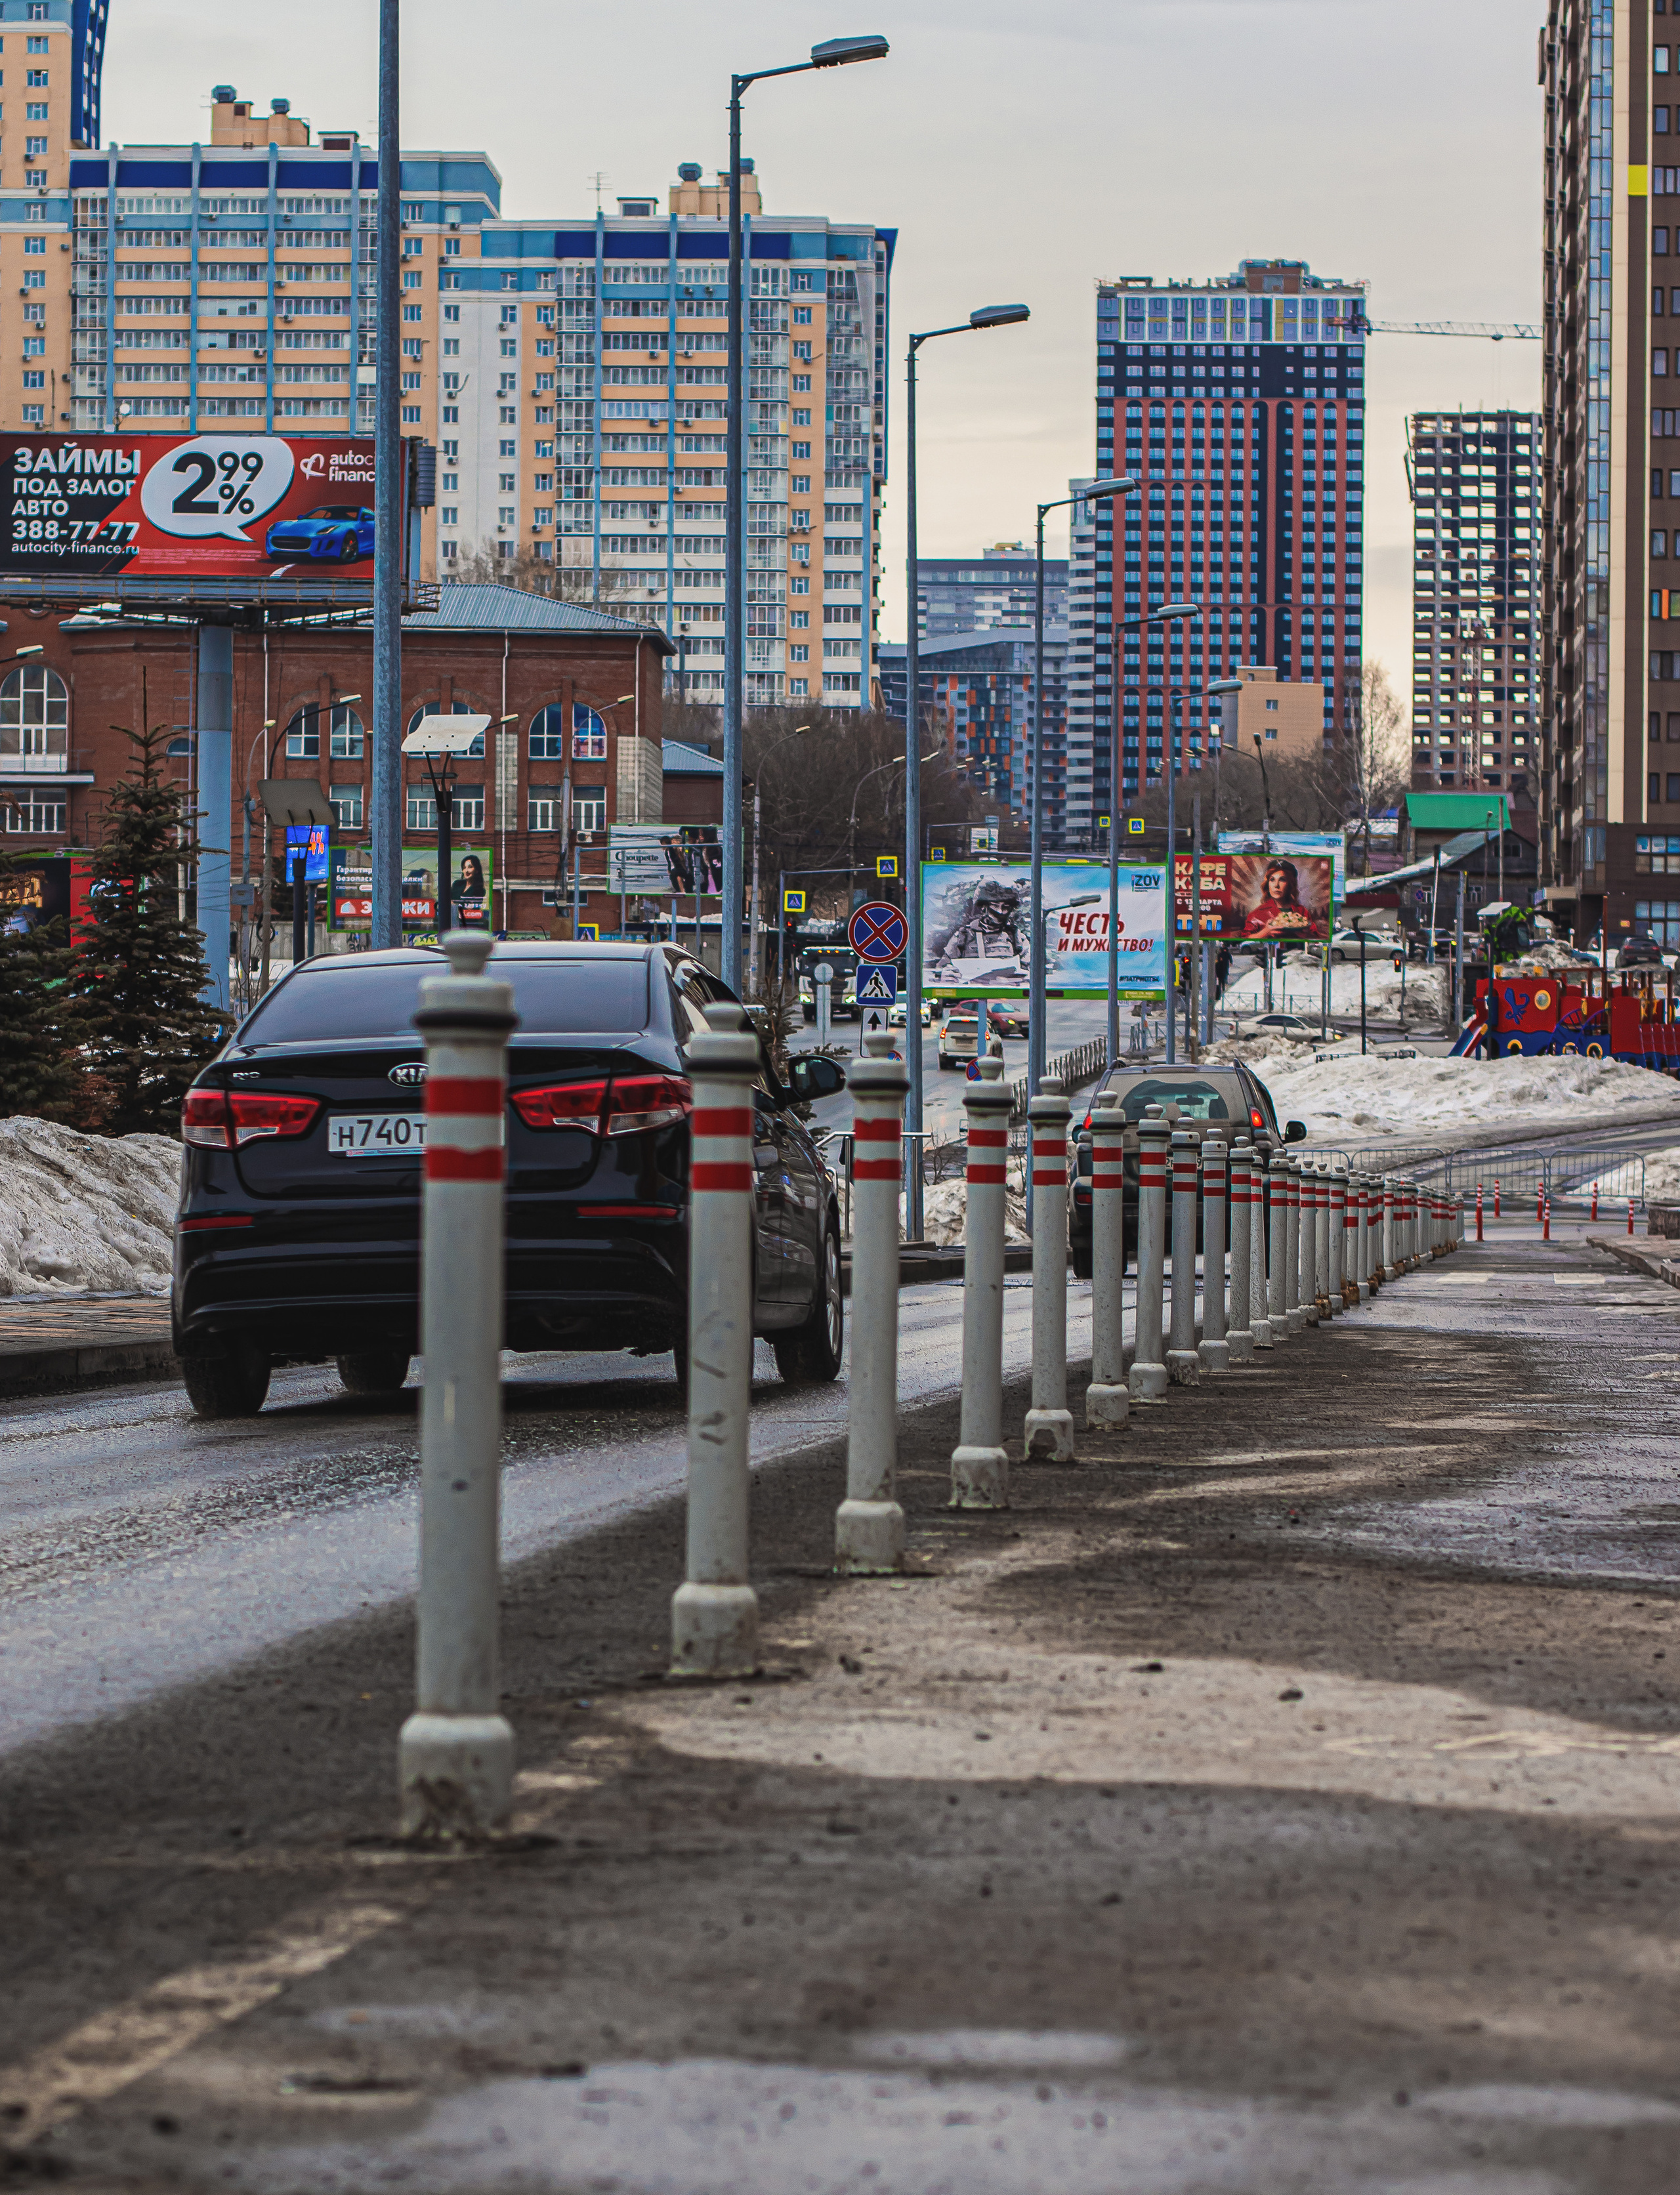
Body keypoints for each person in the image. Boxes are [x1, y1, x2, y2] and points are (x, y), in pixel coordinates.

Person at [1242, 858, 1313, 939]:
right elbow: (1244, 939)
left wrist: (1307, 936)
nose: (1276, 885)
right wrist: (1264, 933)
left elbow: (1318, 940)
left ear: (1290, 884)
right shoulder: (1256, 914)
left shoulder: (1302, 912)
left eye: (1282, 880)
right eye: (1272, 880)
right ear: (1268, 884)